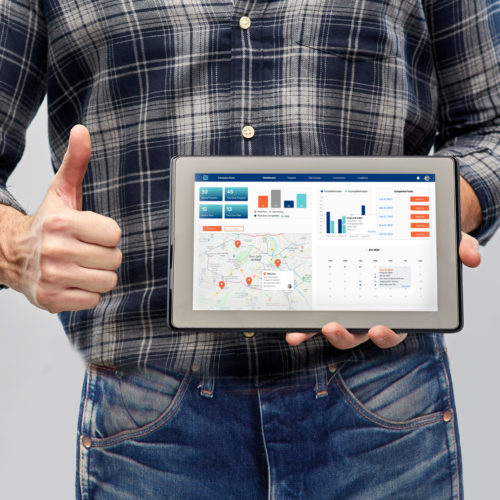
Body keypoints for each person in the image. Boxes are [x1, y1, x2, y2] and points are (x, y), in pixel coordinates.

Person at [0, 0, 498, 498]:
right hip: (148, 414)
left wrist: (409, 223)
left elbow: (491, 130)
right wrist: (18, 247)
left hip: (381, 402)